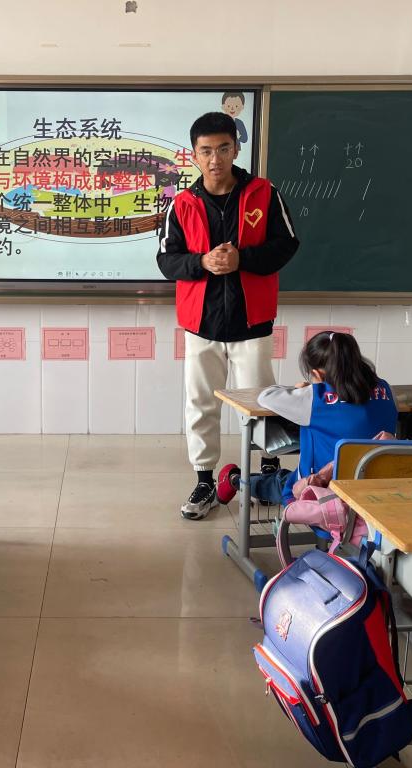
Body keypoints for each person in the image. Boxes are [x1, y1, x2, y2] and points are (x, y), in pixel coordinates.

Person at [157, 111, 299, 520]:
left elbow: (287, 244)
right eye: (206, 151)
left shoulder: (264, 193)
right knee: (200, 403)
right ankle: (205, 479)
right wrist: (202, 262)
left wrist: (243, 260)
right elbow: (166, 260)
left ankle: (269, 472)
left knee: (262, 401)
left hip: (251, 322)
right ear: (194, 155)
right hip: (201, 324)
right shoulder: (182, 204)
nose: (215, 158)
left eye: (223, 148)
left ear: (236, 149)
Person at [219, 332, 397, 508]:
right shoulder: (386, 389)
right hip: (375, 490)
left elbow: (265, 397)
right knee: (288, 477)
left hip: (323, 492)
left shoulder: (314, 397)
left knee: (282, 484)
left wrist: (300, 389)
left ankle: (234, 479)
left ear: (317, 374)